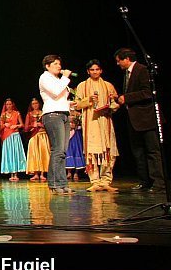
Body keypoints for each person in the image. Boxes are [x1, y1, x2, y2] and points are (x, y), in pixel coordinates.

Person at [114, 47, 165, 191]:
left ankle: (158, 183)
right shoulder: (127, 74)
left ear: (126, 59)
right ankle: (144, 181)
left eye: (118, 61)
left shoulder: (142, 70)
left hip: (147, 118)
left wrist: (126, 98)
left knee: (152, 151)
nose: (117, 64)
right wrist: (119, 98)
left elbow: (148, 93)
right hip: (134, 119)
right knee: (138, 152)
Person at [74, 59, 120, 192]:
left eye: (97, 69)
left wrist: (112, 106)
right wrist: (88, 100)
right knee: (92, 151)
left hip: (105, 121)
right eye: (92, 70)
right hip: (90, 121)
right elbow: (76, 105)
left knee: (109, 150)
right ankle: (94, 181)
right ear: (88, 71)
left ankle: (106, 181)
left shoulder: (108, 85)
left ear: (101, 71)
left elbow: (114, 104)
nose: (95, 72)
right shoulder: (82, 86)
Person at [38, 54, 75, 195]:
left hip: (64, 114)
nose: (59, 66)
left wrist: (70, 104)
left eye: (59, 64)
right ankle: (54, 184)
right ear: (47, 66)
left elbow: (60, 98)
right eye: (55, 64)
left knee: (63, 151)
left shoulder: (58, 80)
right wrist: (65, 77)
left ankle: (62, 184)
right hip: (52, 115)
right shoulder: (44, 77)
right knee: (57, 150)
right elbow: (54, 92)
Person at [0, 99, 26, 182]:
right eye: (7, 104)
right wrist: (4, 124)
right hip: (7, 136)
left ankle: (16, 174)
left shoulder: (17, 113)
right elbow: (0, 127)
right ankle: (11, 174)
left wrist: (16, 126)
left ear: (12, 105)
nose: (9, 106)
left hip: (15, 135)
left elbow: (22, 125)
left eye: (10, 104)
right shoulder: (3, 115)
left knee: (16, 153)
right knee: (9, 154)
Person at [24, 97, 50, 182]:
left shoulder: (44, 113)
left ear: (39, 104)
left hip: (43, 135)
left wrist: (41, 125)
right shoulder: (29, 114)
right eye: (33, 104)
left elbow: (48, 125)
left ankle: (42, 174)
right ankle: (35, 174)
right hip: (34, 136)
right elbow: (26, 128)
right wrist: (33, 125)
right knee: (34, 154)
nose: (35, 105)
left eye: (36, 103)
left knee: (43, 153)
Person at [65, 109, 86, 181]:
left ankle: (76, 173)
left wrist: (76, 125)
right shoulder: (66, 112)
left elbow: (82, 123)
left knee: (76, 150)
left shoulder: (78, 114)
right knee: (69, 151)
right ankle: (69, 172)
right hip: (68, 134)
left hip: (76, 134)